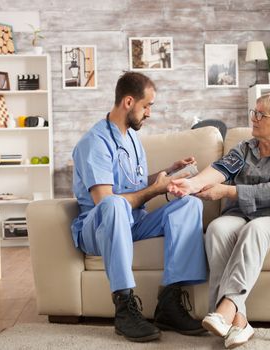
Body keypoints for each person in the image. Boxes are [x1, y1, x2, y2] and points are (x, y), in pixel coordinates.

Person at [71, 72, 207, 343]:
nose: (149, 113)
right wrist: (154, 190)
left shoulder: (132, 138)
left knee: (189, 204)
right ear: (129, 102)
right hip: (98, 229)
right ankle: (124, 307)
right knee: (114, 205)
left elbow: (131, 184)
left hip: (133, 221)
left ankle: (170, 302)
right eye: (147, 106)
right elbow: (106, 200)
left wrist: (166, 174)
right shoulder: (94, 143)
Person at [168, 92, 270, 349]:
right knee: (218, 228)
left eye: (261, 114)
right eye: (254, 112)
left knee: (254, 230)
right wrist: (192, 183)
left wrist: (229, 192)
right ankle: (237, 321)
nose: (253, 118)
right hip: (239, 214)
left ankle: (225, 310)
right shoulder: (244, 149)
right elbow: (220, 169)